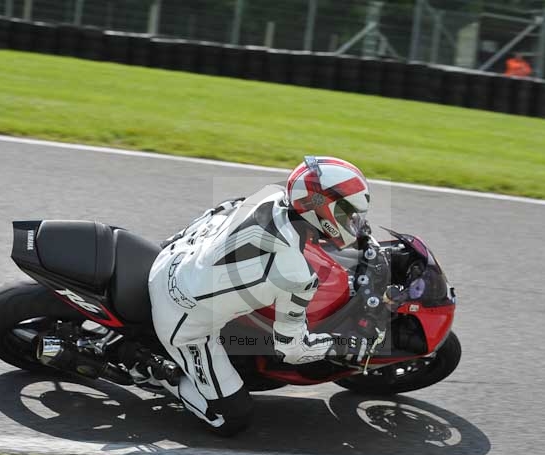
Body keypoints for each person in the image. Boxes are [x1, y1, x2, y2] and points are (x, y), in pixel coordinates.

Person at [139, 156, 371, 435]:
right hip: (180, 320)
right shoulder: (296, 276)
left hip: (175, 255)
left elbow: (219, 211)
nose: (354, 222)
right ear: (322, 207)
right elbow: (292, 350)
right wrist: (345, 344)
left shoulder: (270, 195)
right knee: (232, 419)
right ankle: (159, 371)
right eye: (348, 213)